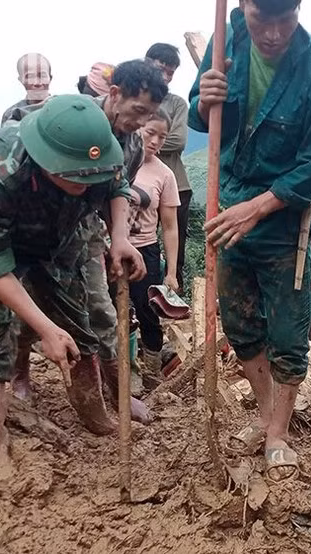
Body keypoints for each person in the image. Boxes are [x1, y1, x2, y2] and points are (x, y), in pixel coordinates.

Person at [189, 0, 311, 482]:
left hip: (283, 218)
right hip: (229, 202)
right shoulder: (227, 35)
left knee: (287, 331)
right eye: (262, 19)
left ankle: (280, 431)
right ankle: (262, 413)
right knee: (239, 321)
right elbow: (202, 120)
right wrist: (203, 99)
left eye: (286, 19)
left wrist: (257, 209)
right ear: (243, 7)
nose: (273, 33)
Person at [0, 95, 146, 469]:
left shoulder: (101, 153)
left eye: (91, 175)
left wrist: (120, 236)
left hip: (58, 235)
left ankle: (94, 412)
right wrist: (44, 329)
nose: (86, 183)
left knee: (77, 320)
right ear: (44, 160)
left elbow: (117, 187)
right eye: (73, 175)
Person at [4, 60, 167, 416]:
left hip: (84, 233)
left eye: (150, 114)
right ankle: (19, 373)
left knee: (101, 311)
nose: (142, 122)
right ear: (114, 94)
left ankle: (117, 393)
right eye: (138, 110)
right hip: (31, 228)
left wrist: (119, 238)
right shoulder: (70, 119)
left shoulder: (133, 145)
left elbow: (117, 190)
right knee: (27, 308)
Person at [126, 109, 180, 384]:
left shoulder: (164, 174)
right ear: (137, 128)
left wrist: (170, 271)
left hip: (145, 250)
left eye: (162, 136)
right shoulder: (119, 161)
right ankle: (123, 372)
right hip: (110, 248)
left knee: (147, 312)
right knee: (114, 312)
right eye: (151, 132)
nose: (156, 141)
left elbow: (170, 227)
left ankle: (150, 372)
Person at [145, 43, 193, 294]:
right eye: (161, 67)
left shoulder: (176, 104)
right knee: (143, 242)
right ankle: (145, 299)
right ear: (147, 62)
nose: (165, 75)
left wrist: (143, 141)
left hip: (177, 183)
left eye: (171, 71)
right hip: (139, 183)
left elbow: (179, 140)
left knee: (177, 244)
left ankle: (176, 297)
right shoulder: (137, 97)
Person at [1, 52, 52, 125]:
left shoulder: (62, 109)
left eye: (42, 75)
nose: (37, 83)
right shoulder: (11, 114)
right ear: (21, 80)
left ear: (50, 78)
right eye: (30, 76)